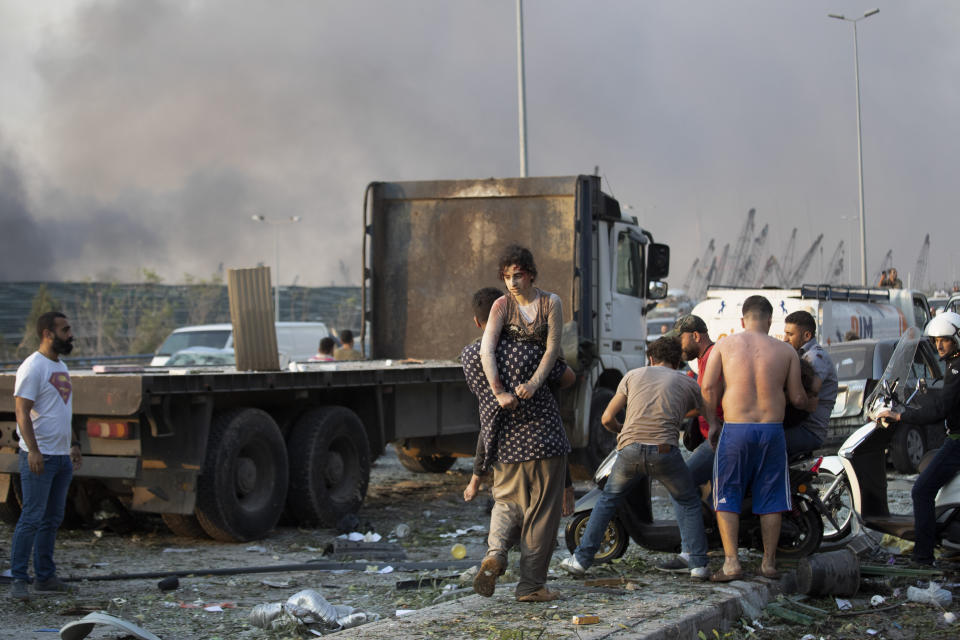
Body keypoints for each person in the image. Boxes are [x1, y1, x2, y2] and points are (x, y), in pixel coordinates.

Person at [560, 337, 711, 580]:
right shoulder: (686, 382)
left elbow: (607, 418)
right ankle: (698, 564)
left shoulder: (632, 375)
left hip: (629, 451)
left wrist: (623, 430)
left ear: (651, 358)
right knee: (687, 500)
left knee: (608, 500)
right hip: (664, 452)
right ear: (676, 360)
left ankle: (580, 560)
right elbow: (706, 410)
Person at [464, 259, 570, 602]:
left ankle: (495, 551)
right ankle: (531, 586)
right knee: (540, 514)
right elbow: (565, 377)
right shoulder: (532, 348)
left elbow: (486, 399)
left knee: (506, 502)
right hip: (543, 439)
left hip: (504, 443)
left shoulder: (470, 356)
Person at [700, 295, 807, 582]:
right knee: (772, 497)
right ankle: (768, 564)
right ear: (770, 321)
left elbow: (708, 387)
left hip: (735, 427)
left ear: (742, 320)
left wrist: (712, 423)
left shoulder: (724, 345)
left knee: (726, 494)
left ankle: (732, 563)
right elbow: (797, 397)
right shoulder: (786, 351)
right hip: (772, 430)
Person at [875, 311, 960, 567]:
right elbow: (943, 401)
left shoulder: (957, 367)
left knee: (921, 490)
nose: (939, 345)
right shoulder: (952, 366)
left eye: (944, 340)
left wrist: (901, 417)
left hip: (957, 441)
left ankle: (923, 557)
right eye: (935, 341)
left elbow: (940, 409)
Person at [10, 311, 82, 601]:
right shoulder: (33, 367)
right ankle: (18, 580)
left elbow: (64, 409)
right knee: (32, 518)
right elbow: (21, 412)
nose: (70, 334)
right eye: (65, 330)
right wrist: (34, 450)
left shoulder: (60, 366)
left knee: (52, 519)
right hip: (40, 457)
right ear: (47, 334)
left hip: (62, 457)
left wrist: (74, 443)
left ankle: (45, 577)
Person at [480, 245, 562, 412]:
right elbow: (486, 350)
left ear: (531, 274)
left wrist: (533, 384)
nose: (512, 283)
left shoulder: (551, 302)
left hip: (544, 375)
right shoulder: (501, 305)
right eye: (507, 277)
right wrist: (499, 392)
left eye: (518, 276)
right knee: (471, 353)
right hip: (511, 382)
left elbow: (552, 350)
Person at [669, 315, 723, 488]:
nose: (678, 346)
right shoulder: (703, 359)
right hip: (710, 437)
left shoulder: (712, 358)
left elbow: (705, 399)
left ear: (696, 336)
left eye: (680, 339)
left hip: (718, 438)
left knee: (680, 483)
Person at [782, 310, 838, 457]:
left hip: (809, 430)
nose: (785, 339)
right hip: (796, 424)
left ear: (807, 336)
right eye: (785, 333)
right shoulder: (798, 355)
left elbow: (810, 391)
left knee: (770, 442)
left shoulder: (815, 357)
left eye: (790, 334)